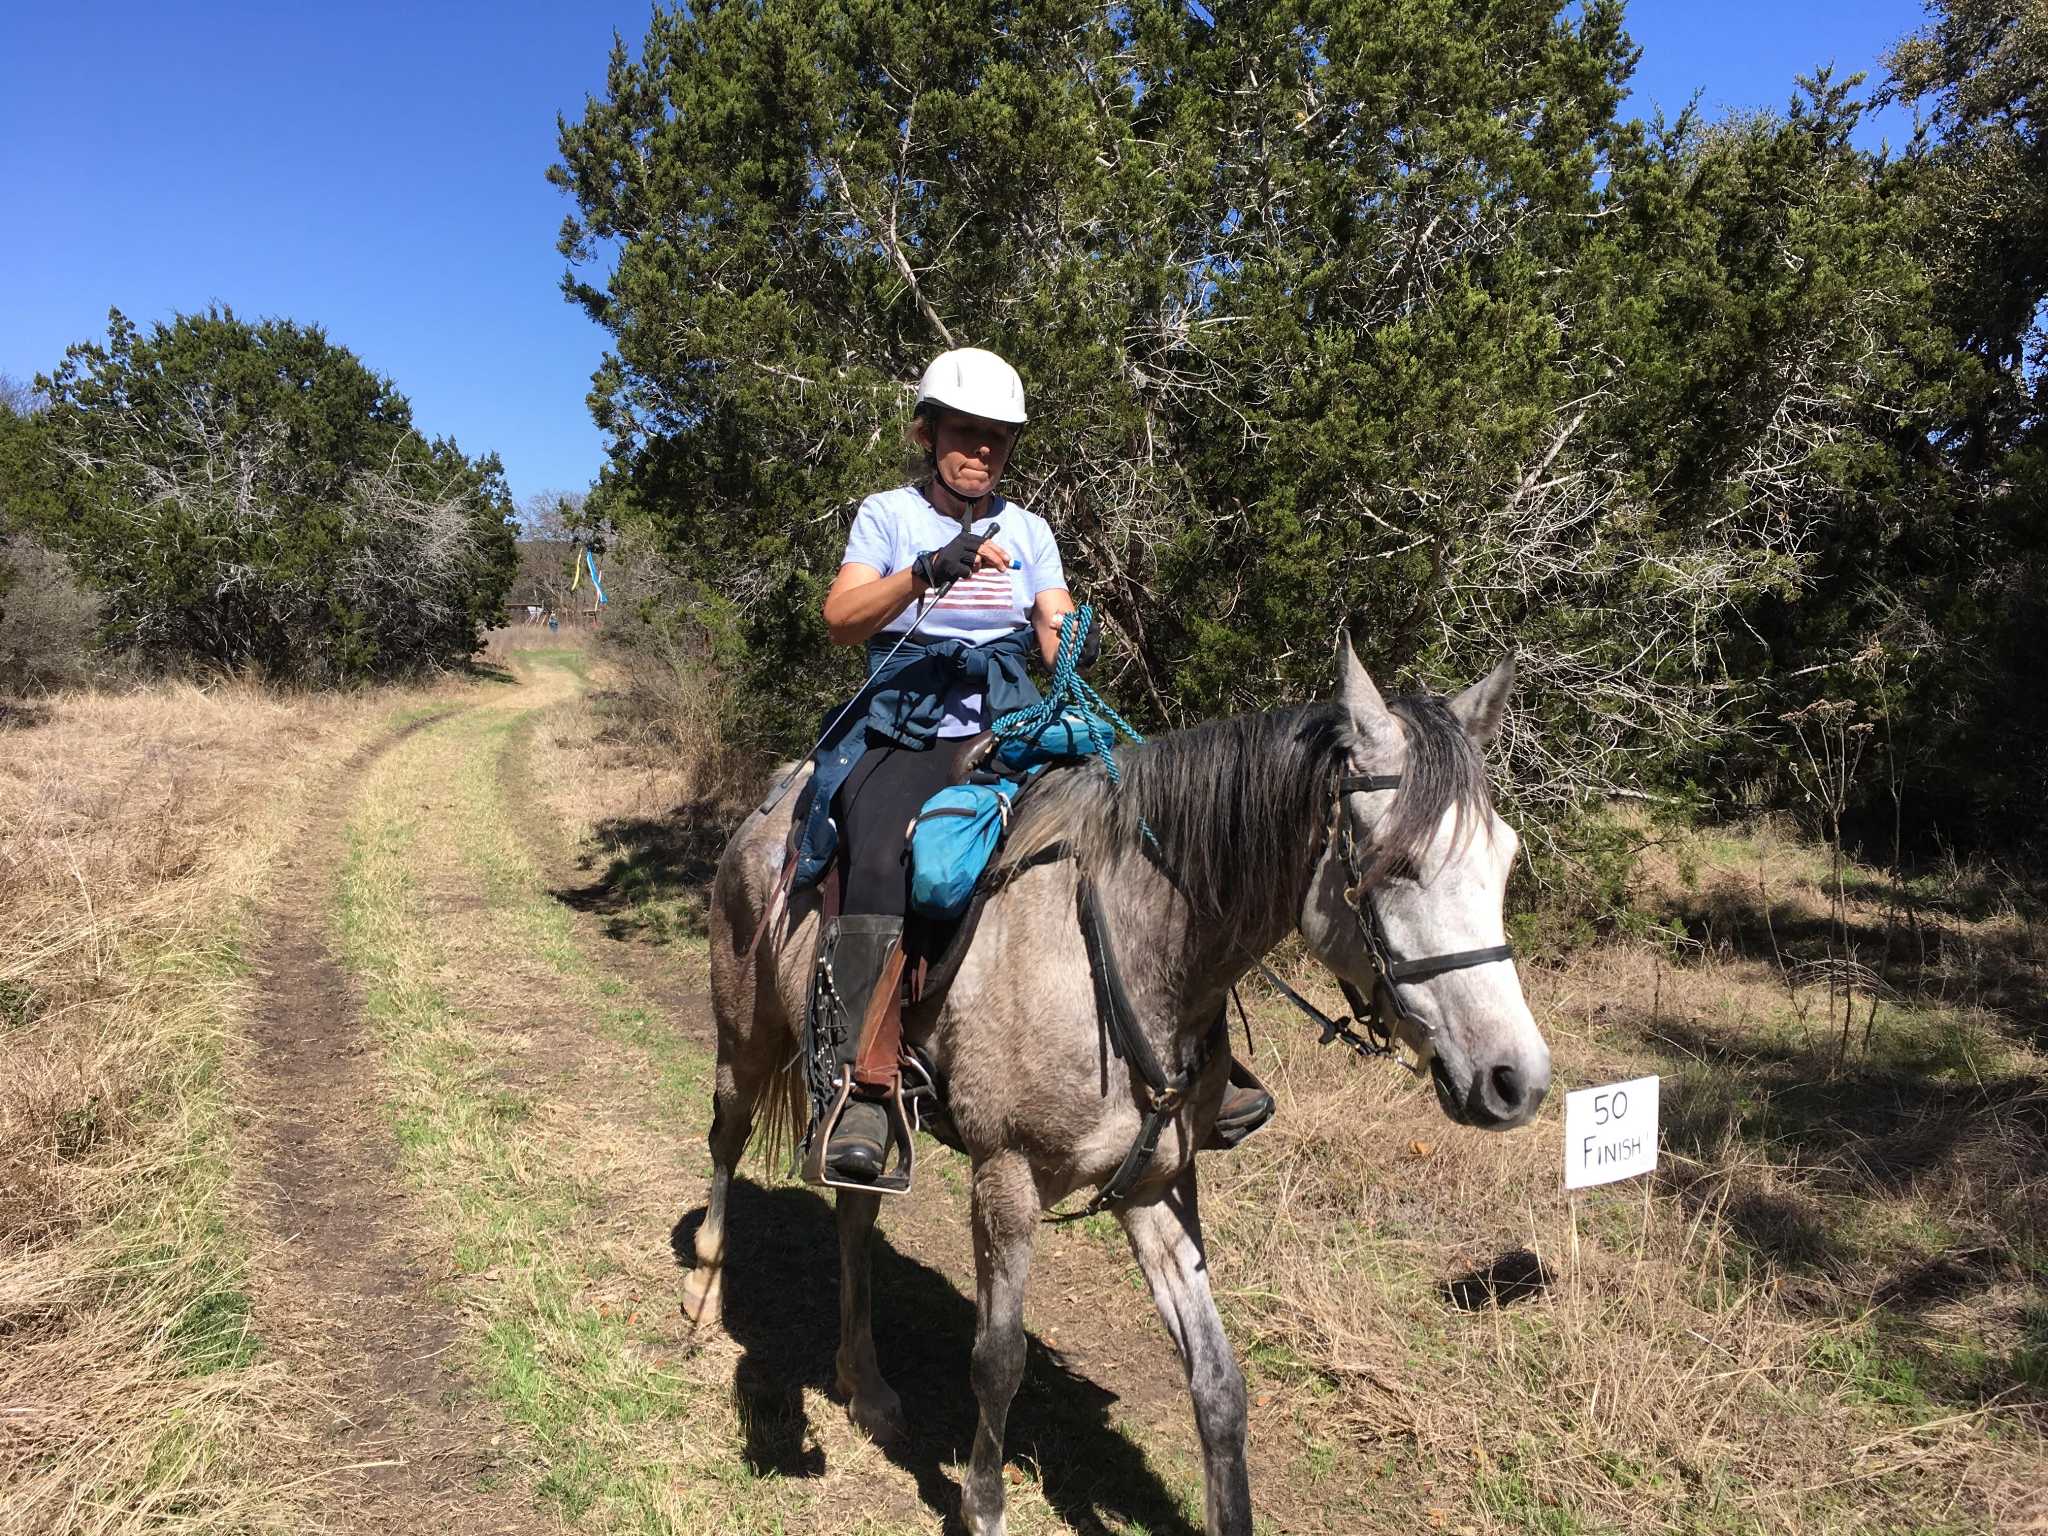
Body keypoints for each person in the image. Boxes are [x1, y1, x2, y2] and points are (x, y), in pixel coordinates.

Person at [796, 346, 1272, 1186]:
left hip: (1014, 726)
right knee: (876, 852)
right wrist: (926, 572)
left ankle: (1204, 1059)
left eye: (997, 439)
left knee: (1140, 824)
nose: (980, 451)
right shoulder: (889, 516)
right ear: (928, 432)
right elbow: (840, 617)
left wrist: (1066, 635)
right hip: (911, 728)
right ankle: (863, 1082)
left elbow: (1052, 620)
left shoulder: (1029, 531)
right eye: (964, 433)